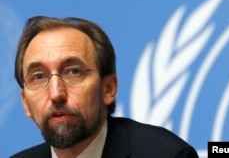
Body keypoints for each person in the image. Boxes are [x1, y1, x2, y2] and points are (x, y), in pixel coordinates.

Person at [10, 16, 199, 158]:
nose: (56, 93)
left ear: (108, 88)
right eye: (38, 76)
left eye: (73, 72)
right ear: (25, 102)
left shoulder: (167, 155)